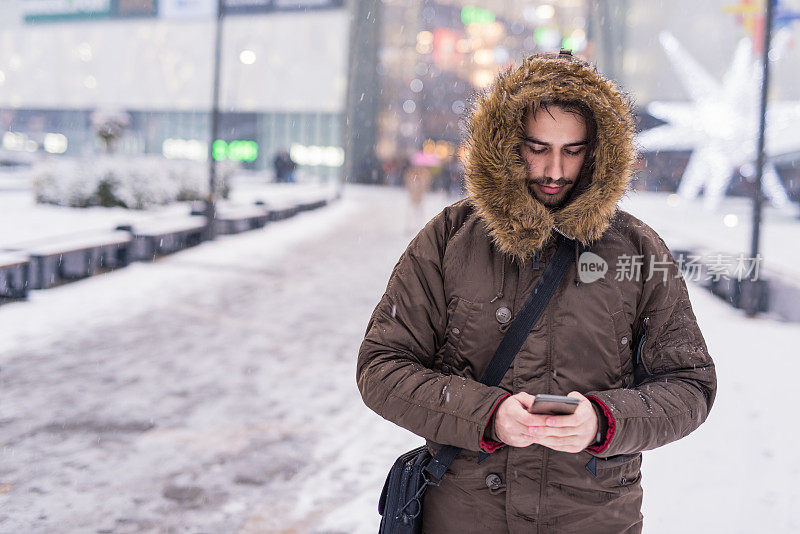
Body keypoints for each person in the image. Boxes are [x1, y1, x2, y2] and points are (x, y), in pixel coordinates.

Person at [357, 50, 716, 533]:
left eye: (572, 150)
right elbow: (382, 367)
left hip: (592, 519)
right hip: (465, 517)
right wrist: (486, 415)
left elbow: (690, 385)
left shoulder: (637, 248)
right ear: (505, 143)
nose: (554, 170)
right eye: (537, 147)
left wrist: (604, 421)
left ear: (598, 151)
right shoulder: (449, 238)